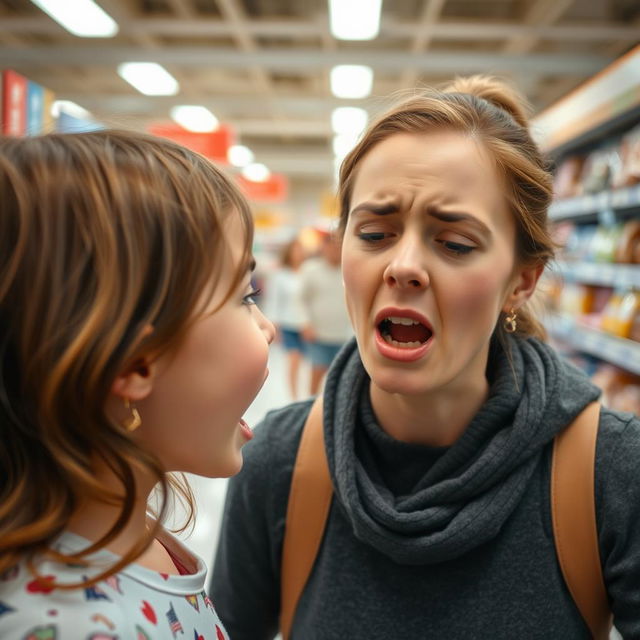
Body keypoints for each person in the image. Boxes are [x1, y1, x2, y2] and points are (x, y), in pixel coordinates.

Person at [211, 75, 640, 638]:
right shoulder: (277, 463)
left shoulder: (612, 473)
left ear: (521, 281)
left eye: (455, 243)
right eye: (374, 233)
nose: (403, 265)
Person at [0, 130, 274, 638]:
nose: (268, 327)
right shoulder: (68, 624)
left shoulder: (132, 539)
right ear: (136, 363)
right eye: (244, 295)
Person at [297, 231, 352, 394]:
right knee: (317, 372)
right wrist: (305, 323)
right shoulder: (310, 269)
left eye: (339, 245)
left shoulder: (349, 269)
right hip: (318, 334)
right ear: (324, 247)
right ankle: (310, 407)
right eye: (331, 245)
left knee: (341, 378)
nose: (335, 249)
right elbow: (300, 300)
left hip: (344, 335)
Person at [265, 238, 306, 400]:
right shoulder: (281, 275)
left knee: (306, 363)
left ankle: (304, 394)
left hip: (306, 325)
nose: (299, 253)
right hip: (289, 324)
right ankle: (294, 397)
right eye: (295, 250)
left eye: (300, 249)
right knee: (294, 360)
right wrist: (275, 326)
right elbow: (274, 301)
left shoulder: (308, 272)